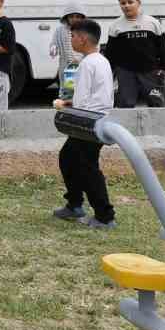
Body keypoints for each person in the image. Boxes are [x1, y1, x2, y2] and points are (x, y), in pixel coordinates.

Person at [53, 19, 117, 230]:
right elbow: (95, 94)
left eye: (72, 36)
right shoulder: (101, 60)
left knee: (88, 168)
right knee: (68, 158)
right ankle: (74, 204)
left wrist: (66, 106)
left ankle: (105, 216)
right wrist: (73, 103)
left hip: (89, 122)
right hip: (96, 118)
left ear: (82, 38)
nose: (70, 40)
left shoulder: (87, 63)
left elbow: (82, 101)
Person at [106, 0, 165, 108]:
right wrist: (109, 71)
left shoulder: (152, 23)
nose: (126, 6)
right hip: (126, 72)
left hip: (151, 70)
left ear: (138, 3)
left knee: (156, 103)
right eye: (123, 3)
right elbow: (111, 52)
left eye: (130, 2)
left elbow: (162, 46)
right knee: (125, 104)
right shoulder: (115, 26)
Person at [49, 2, 85, 103]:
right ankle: (67, 109)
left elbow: (92, 46)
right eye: (72, 16)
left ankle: (81, 109)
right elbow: (54, 43)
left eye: (78, 16)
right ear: (66, 17)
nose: (75, 19)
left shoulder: (85, 30)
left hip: (82, 66)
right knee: (68, 91)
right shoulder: (60, 30)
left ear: (82, 18)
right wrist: (53, 48)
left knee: (82, 90)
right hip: (67, 67)